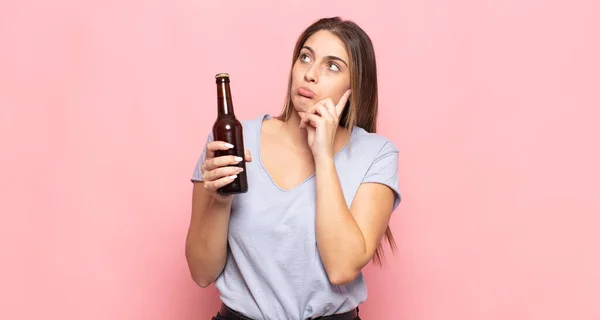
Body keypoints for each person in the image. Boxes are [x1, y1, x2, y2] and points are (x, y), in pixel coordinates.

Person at [186, 16, 402, 320]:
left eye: (332, 66)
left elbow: (342, 268)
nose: (310, 74)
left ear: (355, 86)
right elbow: (201, 273)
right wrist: (220, 200)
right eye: (305, 57)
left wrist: (323, 156)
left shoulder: (376, 154)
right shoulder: (232, 140)